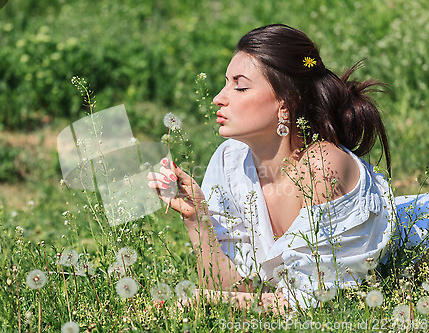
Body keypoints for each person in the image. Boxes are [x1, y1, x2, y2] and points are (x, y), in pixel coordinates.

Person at [147, 24, 429, 311]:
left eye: (240, 86)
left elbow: (307, 303)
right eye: (225, 82)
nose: (220, 97)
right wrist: (198, 218)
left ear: (286, 103)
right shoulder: (229, 160)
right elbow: (236, 289)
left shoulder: (322, 168)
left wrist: (199, 300)